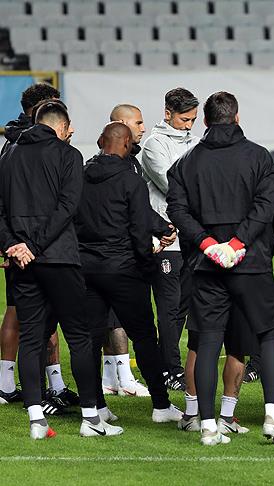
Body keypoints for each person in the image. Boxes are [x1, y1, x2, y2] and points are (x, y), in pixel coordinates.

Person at [167, 91, 274, 445]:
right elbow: (265, 207)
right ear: (236, 118)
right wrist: (237, 244)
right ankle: (272, 418)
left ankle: (207, 426)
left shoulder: (186, 162)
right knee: (268, 336)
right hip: (251, 262)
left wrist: (208, 244)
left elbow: (177, 210)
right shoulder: (259, 156)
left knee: (207, 341)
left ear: (205, 121)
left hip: (206, 267)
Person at [0, 100, 120, 439]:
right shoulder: (69, 155)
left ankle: (36, 420)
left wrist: (15, 245)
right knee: (79, 335)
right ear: (62, 127)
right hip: (59, 258)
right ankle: (90, 419)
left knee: (32, 336)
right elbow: (67, 208)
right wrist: (35, 246)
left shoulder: (8, 155)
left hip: (21, 262)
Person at [75, 122, 183, 424]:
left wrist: (160, 225)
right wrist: (147, 267)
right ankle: (161, 405)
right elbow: (138, 227)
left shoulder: (80, 175)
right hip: (123, 269)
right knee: (145, 338)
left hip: (87, 269)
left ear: (100, 141)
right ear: (125, 145)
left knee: (89, 339)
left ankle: (96, 406)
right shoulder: (130, 179)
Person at [0, 83, 78, 412]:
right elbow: (63, 205)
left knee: (38, 321)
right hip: (41, 248)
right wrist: (21, 245)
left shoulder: (13, 145)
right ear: (39, 110)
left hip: (21, 247)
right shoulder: (19, 147)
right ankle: (9, 383)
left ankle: (49, 385)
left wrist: (12, 244)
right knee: (26, 318)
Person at [99, 104, 163, 397]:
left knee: (108, 318)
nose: (143, 128)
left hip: (99, 256)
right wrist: (152, 240)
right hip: (121, 256)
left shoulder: (104, 165)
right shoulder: (122, 167)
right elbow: (134, 213)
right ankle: (124, 378)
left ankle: (110, 377)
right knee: (124, 320)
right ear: (122, 125)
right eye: (138, 122)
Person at [141, 88, 200, 392]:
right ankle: (170, 369)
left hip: (190, 237)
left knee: (182, 307)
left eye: (192, 120)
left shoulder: (195, 143)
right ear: (167, 114)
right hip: (166, 238)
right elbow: (170, 184)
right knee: (168, 307)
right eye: (184, 119)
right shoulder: (154, 144)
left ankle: (166, 365)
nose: (188, 125)